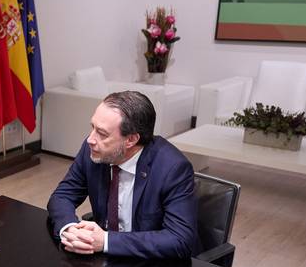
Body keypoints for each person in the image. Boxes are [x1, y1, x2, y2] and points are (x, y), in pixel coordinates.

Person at [47, 90, 198, 258]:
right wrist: (70, 228)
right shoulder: (93, 150)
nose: (90, 139)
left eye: (102, 133)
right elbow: (62, 196)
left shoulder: (173, 168)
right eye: (92, 127)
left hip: (151, 264)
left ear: (131, 140)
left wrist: (106, 241)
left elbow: (179, 239)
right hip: (103, 259)